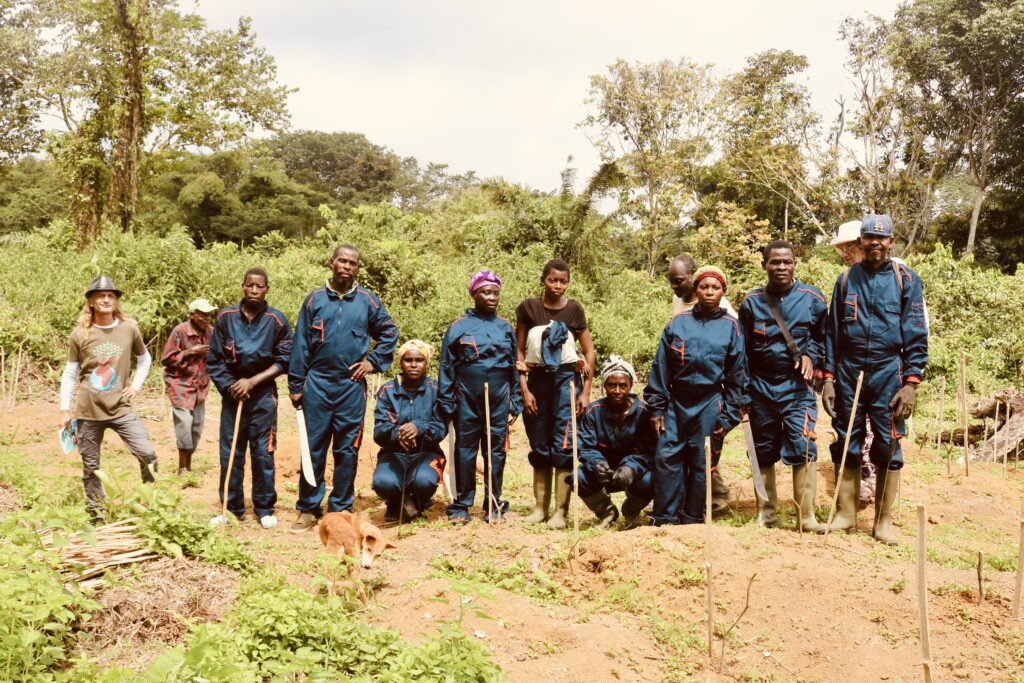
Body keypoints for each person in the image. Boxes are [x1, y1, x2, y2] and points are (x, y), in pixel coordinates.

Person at [822, 214, 928, 545]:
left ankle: (883, 521)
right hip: (849, 371)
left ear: (891, 242)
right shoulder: (845, 280)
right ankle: (846, 513)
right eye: (869, 237)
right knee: (846, 439)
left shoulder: (906, 279)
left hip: (889, 371)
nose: (875, 243)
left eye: (881, 238)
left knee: (888, 442)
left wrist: (911, 383)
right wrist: (827, 378)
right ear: (860, 241)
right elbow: (832, 332)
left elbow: (916, 331)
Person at [288, 245, 399, 533]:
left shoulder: (367, 301)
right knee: (313, 448)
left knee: (347, 449)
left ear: (357, 269)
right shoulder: (314, 300)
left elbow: (389, 332)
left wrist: (373, 362)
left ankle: (340, 508)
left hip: (351, 387)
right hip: (318, 383)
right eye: (342, 261)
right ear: (331, 262)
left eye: (352, 263)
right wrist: (296, 384)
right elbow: (300, 344)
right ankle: (308, 508)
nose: (346, 266)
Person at [646, 266, 747, 525]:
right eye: (704, 287)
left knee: (702, 462)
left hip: (710, 403)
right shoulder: (678, 323)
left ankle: (692, 518)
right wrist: (657, 408)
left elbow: (737, 377)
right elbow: (661, 367)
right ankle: (665, 517)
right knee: (667, 457)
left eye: (716, 287)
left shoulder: (731, 327)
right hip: (676, 403)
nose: (709, 292)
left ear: (723, 291)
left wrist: (727, 418)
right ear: (696, 289)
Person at [738, 241, 828, 532]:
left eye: (786, 262)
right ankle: (767, 514)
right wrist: (743, 390)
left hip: (797, 389)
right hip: (760, 387)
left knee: (804, 445)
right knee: (761, 451)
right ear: (764, 265)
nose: (781, 268)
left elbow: (823, 339)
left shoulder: (812, 298)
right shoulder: (751, 302)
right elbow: (742, 350)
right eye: (774, 262)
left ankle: (807, 516)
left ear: (794, 264)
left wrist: (811, 357)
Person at [59, 276, 158, 523]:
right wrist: (64, 409)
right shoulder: (80, 334)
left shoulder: (129, 328)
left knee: (147, 453)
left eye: (110, 296)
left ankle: (152, 501)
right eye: (100, 296)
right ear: (91, 301)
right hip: (88, 410)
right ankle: (97, 514)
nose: (106, 299)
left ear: (116, 301)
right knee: (91, 466)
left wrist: (135, 386)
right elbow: (70, 373)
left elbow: (145, 359)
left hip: (120, 408)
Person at [207, 268, 292, 529]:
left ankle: (264, 507)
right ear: (243, 287)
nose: (254, 291)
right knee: (230, 452)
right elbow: (215, 359)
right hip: (233, 395)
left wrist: (252, 382)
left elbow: (285, 359)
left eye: (260, 286)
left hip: (263, 395)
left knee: (263, 452)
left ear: (267, 289)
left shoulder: (277, 320)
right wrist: (232, 385)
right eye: (250, 286)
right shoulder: (225, 317)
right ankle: (231, 507)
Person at [515, 258, 596, 529]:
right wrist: (524, 389)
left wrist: (585, 391)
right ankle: (540, 508)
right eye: (553, 280)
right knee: (539, 444)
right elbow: (520, 351)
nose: (558, 286)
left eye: (563, 281)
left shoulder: (574, 310)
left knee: (563, 444)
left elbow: (588, 351)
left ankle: (560, 512)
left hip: (566, 382)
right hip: (537, 380)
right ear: (543, 280)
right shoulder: (529, 308)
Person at [437, 270, 522, 524]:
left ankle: (493, 504)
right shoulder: (458, 327)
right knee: (465, 450)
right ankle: (462, 505)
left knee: (496, 451)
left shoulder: (506, 327)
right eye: (486, 292)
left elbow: (514, 366)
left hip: (498, 398)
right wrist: (448, 400)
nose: (492, 297)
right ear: (474, 294)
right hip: (466, 398)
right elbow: (446, 366)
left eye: (495, 293)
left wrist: (514, 400)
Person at [666, 254, 736, 514]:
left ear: (693, 277)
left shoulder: (721, 307)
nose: (676, 287)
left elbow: (734, 352)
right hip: (685, 386)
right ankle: (693, 499)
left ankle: (716, 497)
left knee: (706, 445)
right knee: (688, 446)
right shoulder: (680, 299)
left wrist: (735, 402)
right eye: (672, 282)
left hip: (713, 389)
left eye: (680, 281)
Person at [574, 356, 657, 529]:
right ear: (604, 386)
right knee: (578, 477)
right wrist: (597, 464)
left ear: (630, 386)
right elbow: (585, 447)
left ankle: (631, 511)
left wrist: (630, 468)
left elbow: (649, 452)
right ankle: (607, 513)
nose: (617, 390)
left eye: (622, 385)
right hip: (604, 473)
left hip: (633, 474)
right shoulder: (593, 412)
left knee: (654, 478)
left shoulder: (644, 413)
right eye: (611, 385)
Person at [371, 340, 448, 523]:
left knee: (425, 481)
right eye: (408, 360)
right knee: (383, 482)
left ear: (426, 363)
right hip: (394, 454)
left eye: (419, 360)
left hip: (427, 453)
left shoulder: (437, 390)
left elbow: (440, 428)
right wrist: (398, 433)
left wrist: (419, 427)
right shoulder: (387, 391)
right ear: (401, 362)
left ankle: (419, 500)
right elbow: (379, 430)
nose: (413, 365)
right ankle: (396, 501)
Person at [161, 298, 215, 475]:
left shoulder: (211, 332)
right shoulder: (180, 331)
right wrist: (191, 351)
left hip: (200, 386)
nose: (206, 318)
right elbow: (166, 359)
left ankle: (189, 465)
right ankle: (182, 467)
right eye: (202, 315)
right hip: (180, 385)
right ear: (192, 315)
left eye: (208, 314)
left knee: (196, 427)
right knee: (184, 425)